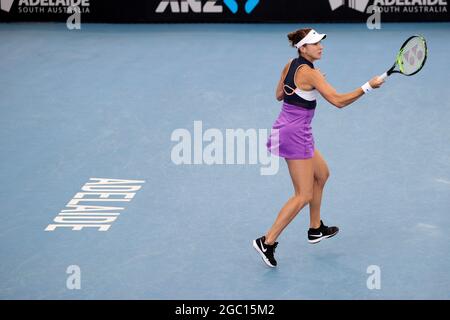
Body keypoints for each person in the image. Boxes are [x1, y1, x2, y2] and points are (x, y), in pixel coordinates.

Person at [253, 28, 385, 268]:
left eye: (320, 43)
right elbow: (338, 101)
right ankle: (267, 241)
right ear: (302, 48)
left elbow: (279, 94)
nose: (320, 46)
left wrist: (305, 85)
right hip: (294, 135)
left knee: (322, 174)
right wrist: (368, 86)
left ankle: (315, 228)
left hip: (293, 129)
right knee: (303, 194)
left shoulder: (291, 65)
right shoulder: (311, 74)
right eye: (314, 43)